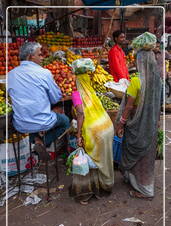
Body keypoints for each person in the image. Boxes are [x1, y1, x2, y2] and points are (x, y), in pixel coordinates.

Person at [116, 43, 162, 199]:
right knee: (146, 156)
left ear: (139, 62)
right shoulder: (158, 82)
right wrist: (158, 122)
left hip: (136, 124)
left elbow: (128, 108)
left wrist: (120, 123)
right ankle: (141, 182)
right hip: (151, 124)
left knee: (134, 152)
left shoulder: (136, 81)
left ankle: (144, 190)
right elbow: (158, 105)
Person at [8, 42, 70, 158]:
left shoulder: (10, 74)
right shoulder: (44, 73)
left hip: (20, 123)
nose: (42, 57)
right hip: (43, 121)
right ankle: (43, 142)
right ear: (31, 56)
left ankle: (35, 140)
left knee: (29, 120)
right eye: (40, 55)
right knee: (65, 121)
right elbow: (56, 98)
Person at [70, 72, 114, 204]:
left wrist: (78, 134)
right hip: (107, 127)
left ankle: (86, 193)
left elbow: (81, 113)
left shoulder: (77, 94)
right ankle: (105, 185)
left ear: (78, 81)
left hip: (94, 132)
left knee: (87, 159)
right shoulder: (91, 92)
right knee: (104, 158)